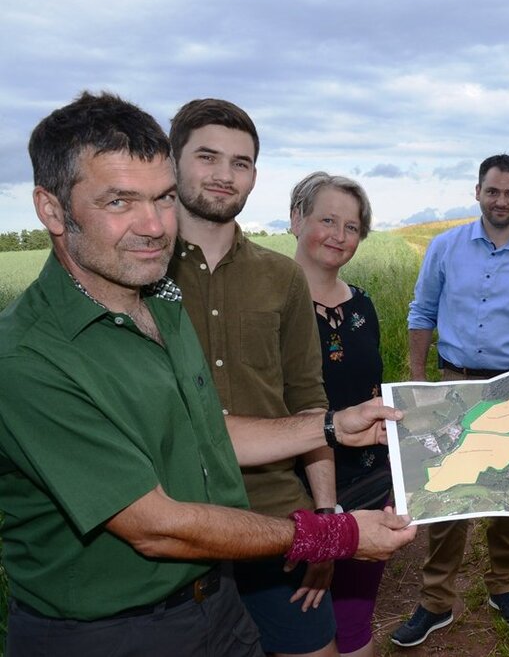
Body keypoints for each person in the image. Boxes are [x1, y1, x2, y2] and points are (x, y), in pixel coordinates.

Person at [0, 91, 416, 657]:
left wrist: (331, 427)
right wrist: (335, 533)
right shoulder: (28, 358)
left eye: (163, 198)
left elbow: (207, 431)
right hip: (109, 631)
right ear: (51, 209)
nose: (153, 225)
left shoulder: (158, 305)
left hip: (209, 602)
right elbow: (156, 525)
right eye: (120, 201)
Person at [167, 98, 340, 657]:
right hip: (174, 523)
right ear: (173, 163)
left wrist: (327, 520)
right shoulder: (140, 271)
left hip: (277, 518)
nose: (224, 175)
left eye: (240, 163)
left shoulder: (282, 276)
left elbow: (309, 402)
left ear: (255, 177)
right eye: (207, 157)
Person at [391, 153, 509, 648]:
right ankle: (434, 602)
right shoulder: (445, 247)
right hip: (457, 382)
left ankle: (503, 586)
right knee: (449, 496)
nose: (501, 200)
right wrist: (418, 381)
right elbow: (422, 310)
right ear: (477, 192)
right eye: (493, 191)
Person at [290, 171, 391, 657]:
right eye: (327, 220)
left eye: (352, 227)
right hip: (293, 496)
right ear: (296, 219)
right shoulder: (268, 308)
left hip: (371, 487)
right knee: (299, 630)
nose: (339, 235)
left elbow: (375, 390)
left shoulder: (364, 305)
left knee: (353, 624)